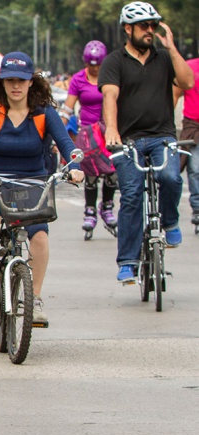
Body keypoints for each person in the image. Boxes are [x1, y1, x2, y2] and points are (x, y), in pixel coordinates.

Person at [0, 52, 84, 325]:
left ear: (31, 82)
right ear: (1, 82)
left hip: (34, 180)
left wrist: (74, 164)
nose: (16, 86)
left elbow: (64, 142)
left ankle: (34, 299)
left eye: (21, 80)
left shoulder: (43, 112)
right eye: (10, 80)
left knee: (39, 236)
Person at [99, 1, 195, 283]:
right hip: (127, 140)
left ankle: (169, 221)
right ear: (128, 29)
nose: (150, 30)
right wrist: (112, 131)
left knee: (171, 177)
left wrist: (172, 47)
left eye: (153, 25)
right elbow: (110, 97)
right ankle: (128, 262)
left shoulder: (165, 59)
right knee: (130, 196)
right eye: (144, 26)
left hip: (161, 135)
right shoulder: (114, 61)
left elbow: (188, 82)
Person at [60, 41, 118, 235]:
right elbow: (68, 107)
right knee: (91, 173)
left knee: (112, 170)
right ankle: (90, 210)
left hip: (108, 129)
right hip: (87, 134)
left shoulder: (111, 77)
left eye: (98, 65)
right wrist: (57, 130)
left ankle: (107, 206)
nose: (95, 68)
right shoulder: (78, 79)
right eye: (91, 65)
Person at [173, 58, 199, 228]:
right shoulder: (188, 67)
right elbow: (174, 94)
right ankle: (197, 208)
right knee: (195, 167)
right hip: (193, 125)